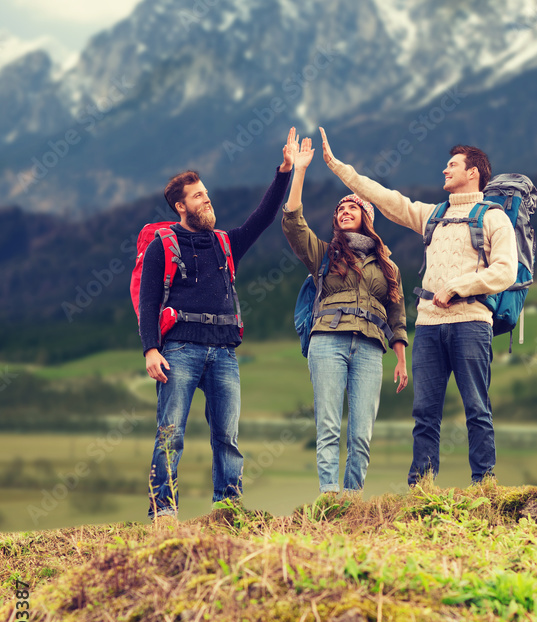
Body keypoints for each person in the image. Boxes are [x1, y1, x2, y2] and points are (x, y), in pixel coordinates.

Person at [320, 128, 517, 486]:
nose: (445, 170)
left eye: (452, 165)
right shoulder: (432, 215)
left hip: (472, 321)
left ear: (473, 172)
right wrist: (338, 168)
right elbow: (384, 198)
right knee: (425, 411)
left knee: (476, 407)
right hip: (427, 326)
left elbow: (506, 270)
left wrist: (459, 286)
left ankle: (484, 485)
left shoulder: (493, 217)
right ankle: (421, 487)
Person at [139, 139, 294, 520]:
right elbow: (147, 301)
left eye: (206, 194)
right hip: (179, 351)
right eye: (198, 196)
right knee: (170, 434)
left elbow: (264, 217)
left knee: (227, 438)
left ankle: (227, 509)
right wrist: (150, 349)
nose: (206, 200)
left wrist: (285, 172)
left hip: (224, 353)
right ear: (181, 206)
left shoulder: (226, 243)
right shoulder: (164, 244)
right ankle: (164, 512)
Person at [282, 131, 408, 495]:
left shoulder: (388, 267)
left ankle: (352, 500)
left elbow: (397, 317)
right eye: (340, 209)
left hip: (370, 346)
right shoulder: (324, 254)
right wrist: (300, 172)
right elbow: (292, 223)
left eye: (353, 207)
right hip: (328, 341)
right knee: (328, 425)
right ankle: (329, 497)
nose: (345, 211)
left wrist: (401, 359)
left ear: (366, 217)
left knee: (362, 432)